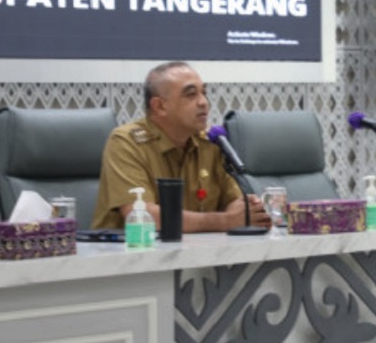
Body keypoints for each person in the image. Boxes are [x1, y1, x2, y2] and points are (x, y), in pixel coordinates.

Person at [92, 61, 270, 231]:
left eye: (204, 93)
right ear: (160, 106)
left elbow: (235, 202)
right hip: (130, 255)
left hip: (197, 254)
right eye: (191, 94)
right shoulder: (126, 143)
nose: (203, 102)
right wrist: (224, 221)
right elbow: (143, 216)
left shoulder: (210, 142)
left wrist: (247, 211)